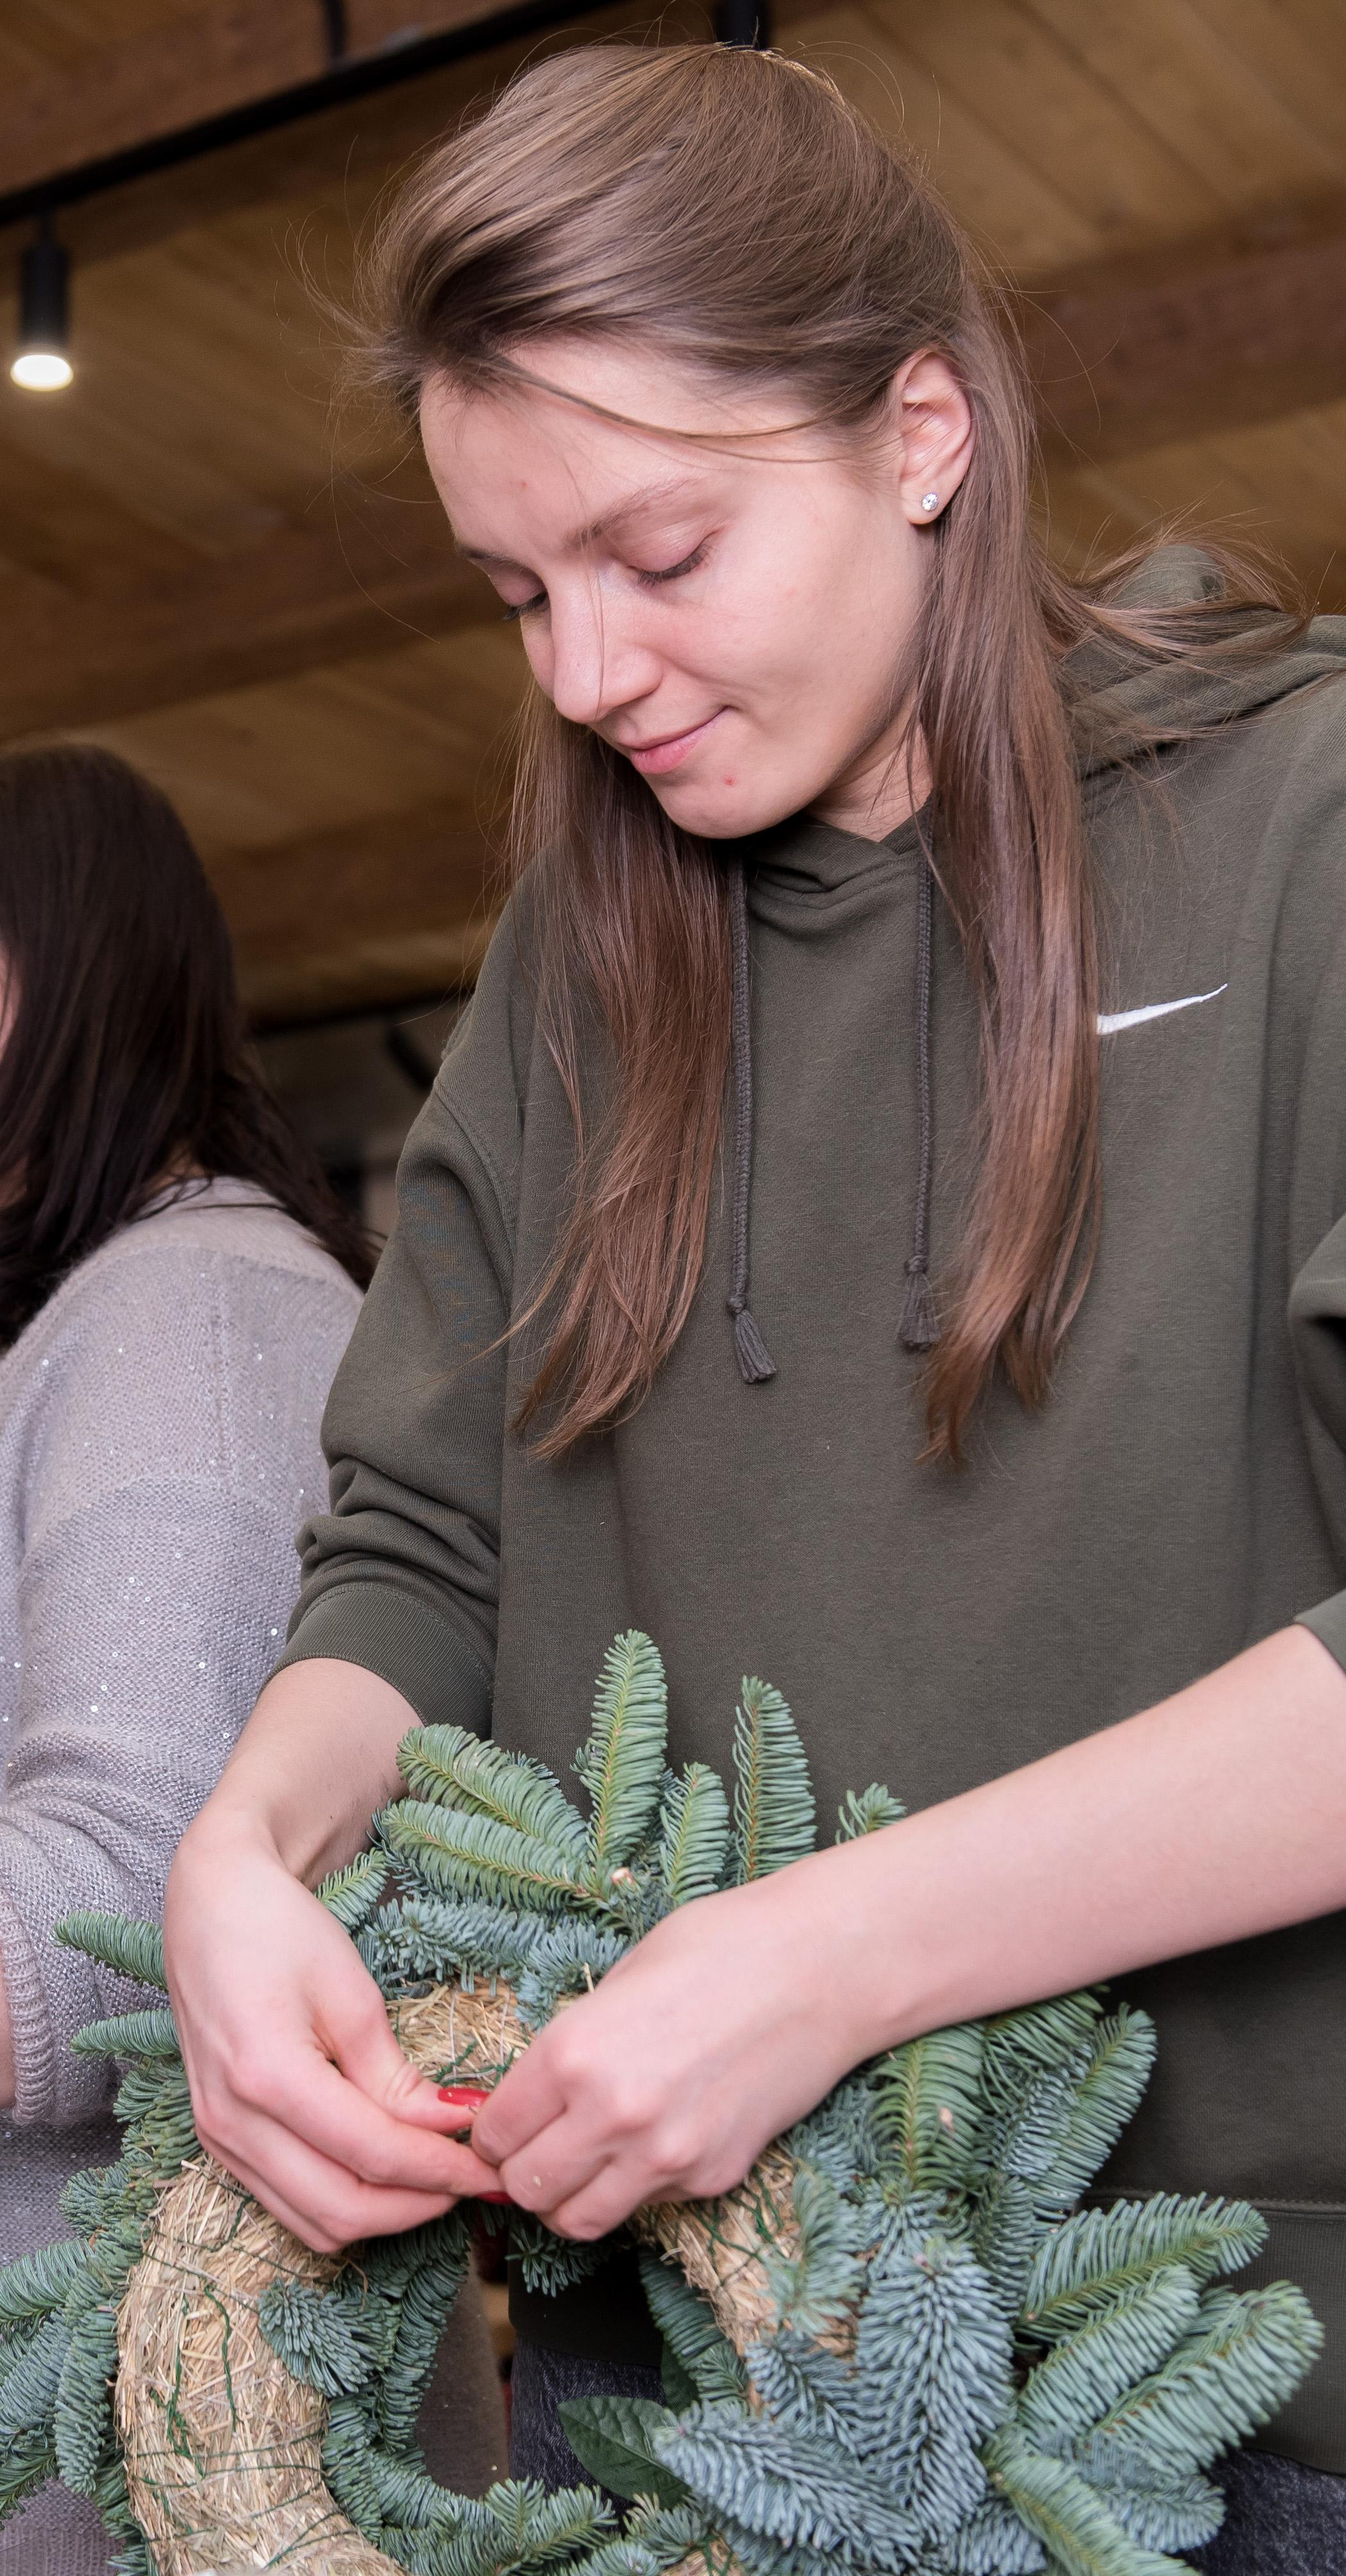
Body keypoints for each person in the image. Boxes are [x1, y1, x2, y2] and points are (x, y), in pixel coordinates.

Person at [162, 46, 1346, 2576]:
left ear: (921, 431)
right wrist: (247, 1842)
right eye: (520, 591)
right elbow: (422, 1544)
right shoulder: (574, 975)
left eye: (663, 550)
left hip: (1330, 2416)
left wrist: (832, 1956)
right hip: (714, 2416)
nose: (584, 675)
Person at [0, 747, 501, 2575]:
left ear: (67, 981)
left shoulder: (189, 1321)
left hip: (134, 2471)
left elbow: (125, 1914)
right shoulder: (104, 1320)